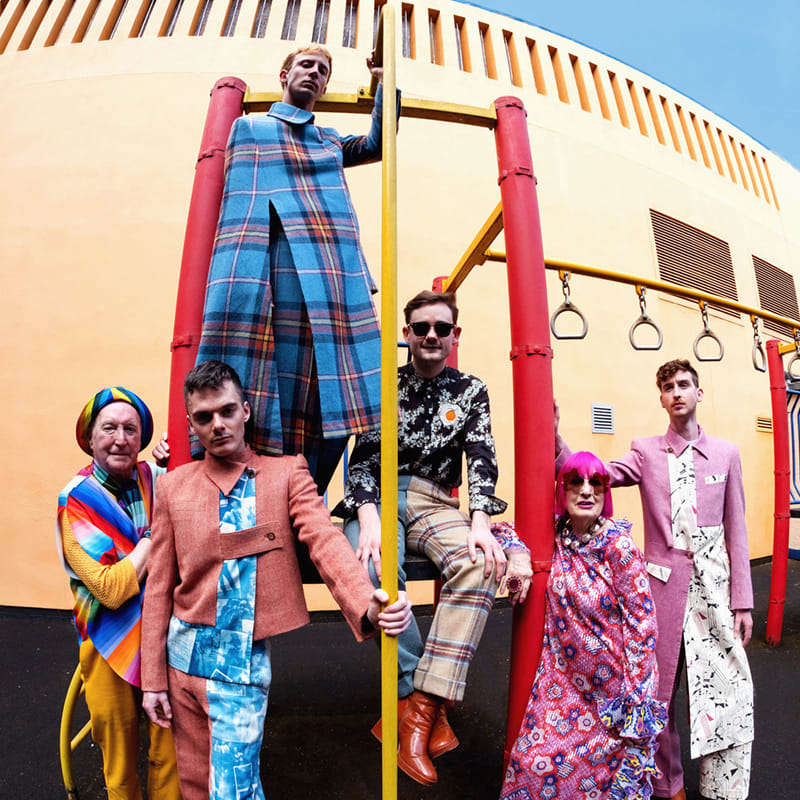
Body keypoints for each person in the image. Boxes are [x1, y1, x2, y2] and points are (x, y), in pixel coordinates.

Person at [140, 360, 412, 800]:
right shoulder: (173, 486)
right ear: (191, 424)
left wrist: (368, 602)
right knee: (193, 786)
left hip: (240, 663)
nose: (218, 425)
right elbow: (158, 588)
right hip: (181, 660)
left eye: (227, 411)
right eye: (204, 417)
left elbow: (323, 538)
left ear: (246, 410)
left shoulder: (285, 473)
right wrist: (153, 679)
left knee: (234, 791)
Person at [336, 290, 533, 785]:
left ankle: (420, 708)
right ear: (406, 334)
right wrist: (368, 516)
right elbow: (361, 460)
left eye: (441, 328)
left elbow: (481, 456)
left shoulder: (470, 391)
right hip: (379, 496)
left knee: (481, 563)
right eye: (420, 327)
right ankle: (419, 703)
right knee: (372, 567)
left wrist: (481, 522)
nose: (430, 335)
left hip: (433, 499)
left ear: (454, 336)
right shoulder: (383, 384)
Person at [196, 45, 398, 491]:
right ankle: (253, 483)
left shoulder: (328, 140)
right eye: (307, 65)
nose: (315, 73)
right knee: (262, 373)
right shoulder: (251, 128)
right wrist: (238, 274)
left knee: (328, 384)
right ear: (284, 74)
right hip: (269, 263)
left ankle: (308, 489)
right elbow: (240, 202)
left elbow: (378, 144)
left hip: (328, 270)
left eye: (323, 71)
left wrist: (385, 83)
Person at [555, 359, 754, 800]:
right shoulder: (645, 451)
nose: (677, 392)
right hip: (660, 594)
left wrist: (743, 600)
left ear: (699, 393)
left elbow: (737, 529)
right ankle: (669, 785)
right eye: (668, 387)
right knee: (657, 693)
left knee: (730, 691)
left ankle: (723, 789)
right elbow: (594, 475)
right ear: (661, 399)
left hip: (715, 594)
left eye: (684, 384)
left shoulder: (726, 453)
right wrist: (554, 439)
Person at [501, 451, 666, 799]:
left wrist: (634, 699)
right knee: (531, 762)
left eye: (597, 483)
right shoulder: (556, 534)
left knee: (608, 779)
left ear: (606, 493)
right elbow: (501, 529)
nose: (587, 490)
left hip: (613, 695)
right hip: (563, 684)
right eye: (576, 482)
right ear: (562, 490)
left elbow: (643, 623)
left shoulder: (619, 546)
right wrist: (517, 555)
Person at [56, 388, 181, 800]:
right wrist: (154, 534)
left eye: (131, 429)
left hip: (163, 633)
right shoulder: (76, 499)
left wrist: (176, 461)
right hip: (107, 640)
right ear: (90, 438)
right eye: (109, 428)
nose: (120, 439)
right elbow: (110, 590)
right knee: (120, 758)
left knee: (170, 748)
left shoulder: (154, 477)